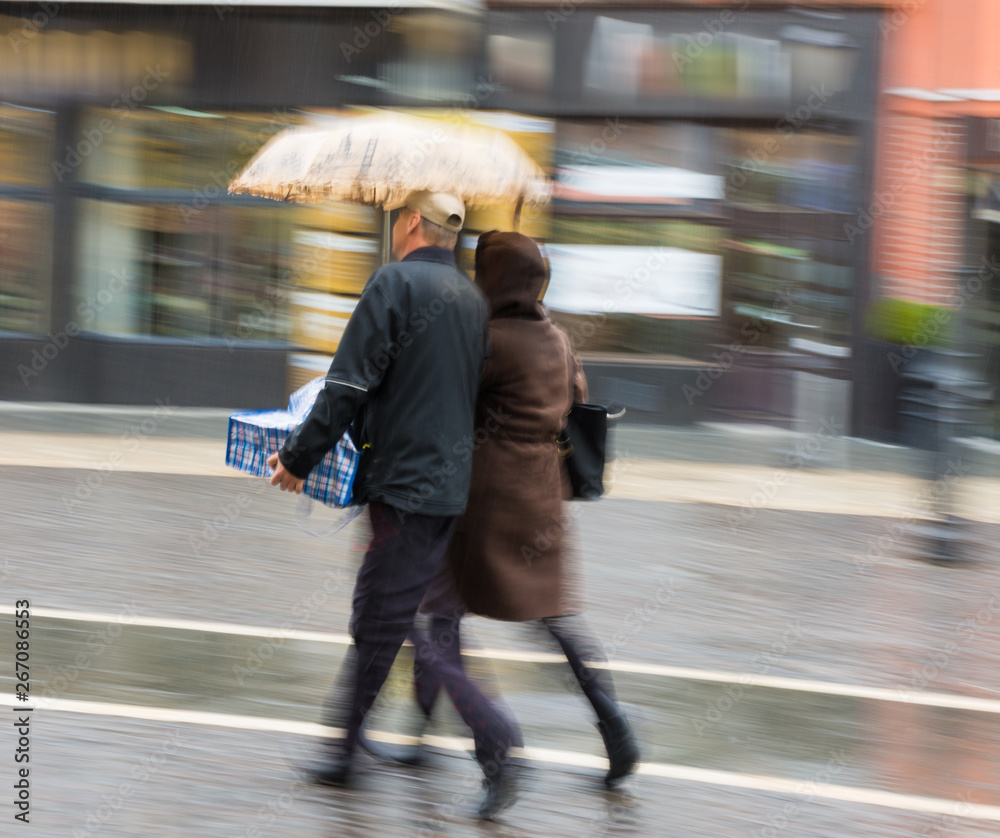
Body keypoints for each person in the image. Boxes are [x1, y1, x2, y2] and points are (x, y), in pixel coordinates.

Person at [267, 192, 523, 816]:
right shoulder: (470, 301)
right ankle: (345, 752)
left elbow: (347, 384)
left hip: (402, 487)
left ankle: (495, 736)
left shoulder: (392, 283)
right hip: (445, 489)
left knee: (384, 621)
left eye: (395, 220)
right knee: (387, 620)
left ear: (410, 222)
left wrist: (296, 459)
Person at [362, 230, 641, 787]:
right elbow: (575, 403)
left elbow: (447, 401)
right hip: (541, 498)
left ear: (491, 278)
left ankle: (470, 748)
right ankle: (614, 724)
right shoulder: (557, 339)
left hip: (478, 496)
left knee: (439, 614)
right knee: (554, 619)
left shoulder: (484, 337)